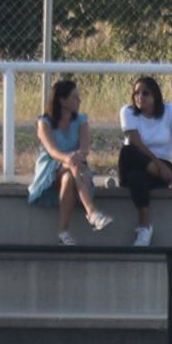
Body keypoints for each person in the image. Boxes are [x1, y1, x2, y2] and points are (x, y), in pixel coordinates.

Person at [26, 77, 117, 245]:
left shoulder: (81, 120)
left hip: (75, 164)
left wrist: (77, 156)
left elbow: (85, 149)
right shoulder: (44, 122)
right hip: (52, 165)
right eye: (75, 97)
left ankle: (63, 232)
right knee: (72, 167)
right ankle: (91, 212)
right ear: (62, 100)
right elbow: (53, 151)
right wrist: (69, 158)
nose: (79, 100)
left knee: (69, 177)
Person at [117, 75, 172, 247]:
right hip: (139, 164)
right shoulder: (127, 112)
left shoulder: (170, 111)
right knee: (128, 151)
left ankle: (145, 228)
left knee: (137, 178)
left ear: (155, 96)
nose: (139, 97)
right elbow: (136, 143)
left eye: (145, 93)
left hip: (161, 167)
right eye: (136, 93)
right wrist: (159, 167)